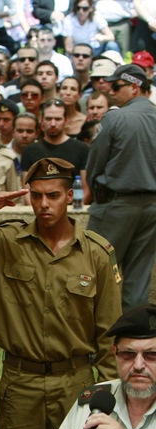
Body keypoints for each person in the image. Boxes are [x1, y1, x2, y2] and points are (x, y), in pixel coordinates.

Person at [0, 157, 123, 429]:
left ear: (69, 196)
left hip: (76, 382)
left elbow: (109, 332)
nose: (44, 204)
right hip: (22, 382)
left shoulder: (96, 254)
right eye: (36, 195)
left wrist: (109, 399)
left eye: (53, 195)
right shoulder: (5, 243)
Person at [36, 304, 156, 429]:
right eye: (128, 354)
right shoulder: (94, 401)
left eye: (151, 355)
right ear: (115, 353)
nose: (138, 365)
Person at [86, 64, 156, 312]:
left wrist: (95, 189)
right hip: (151, 208)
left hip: (116, 204)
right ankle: (131, 341)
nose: (111, 91)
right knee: (138, 278)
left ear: (135, 87)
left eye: (116, 86)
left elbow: (95, 164)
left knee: (94, 271)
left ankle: (96, 343)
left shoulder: (115, 117)